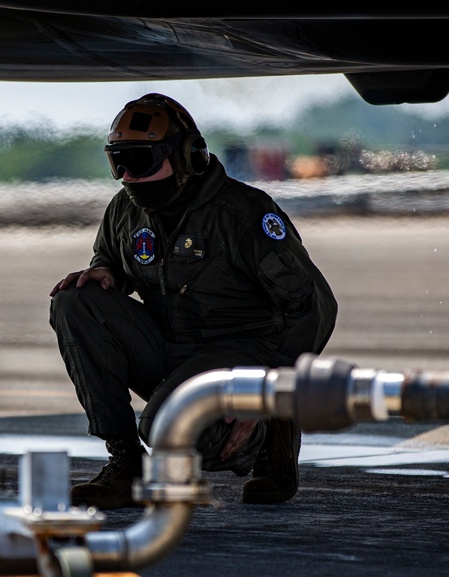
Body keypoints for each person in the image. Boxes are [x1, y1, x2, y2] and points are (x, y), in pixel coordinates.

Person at [49, 93, 336, 509]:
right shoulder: (126, 210)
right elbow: (110, 258)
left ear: (187, 157)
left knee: (170, 428)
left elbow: (315, 306)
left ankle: (270, 431)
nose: (127, 175)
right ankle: (125, 464)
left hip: (240, 355)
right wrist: (106, 272)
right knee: (75, 302)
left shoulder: (241, 213)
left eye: (140, 160)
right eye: (118, 162)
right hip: (172, 347)